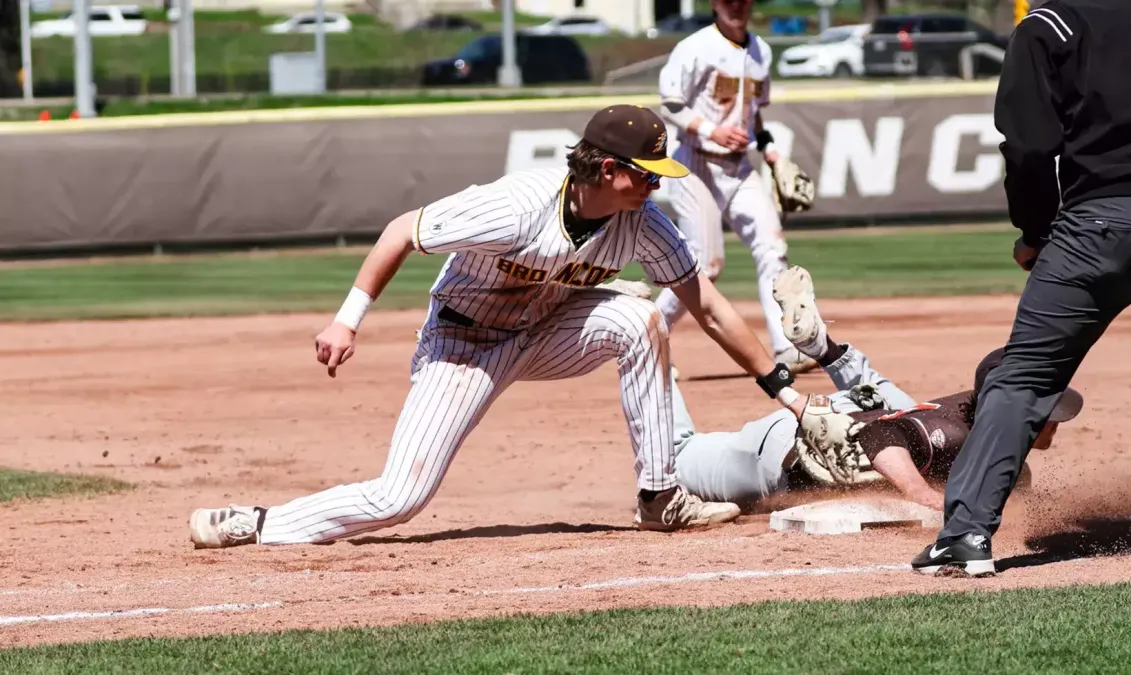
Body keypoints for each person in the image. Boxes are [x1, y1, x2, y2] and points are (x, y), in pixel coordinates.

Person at [187, 105, 855, 548]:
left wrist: (786, 392)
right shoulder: (514, 207)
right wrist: (347, 320)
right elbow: (401, 232)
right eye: (645, 175)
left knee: (641, 320)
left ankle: (661, 497)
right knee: (401, 496)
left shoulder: (642, 222)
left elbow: (703, 302)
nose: (655, 186)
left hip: (544, 332)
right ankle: (259, 523)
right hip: (463, 343)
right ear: (610, 168)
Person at [912, 0, 1131, 578]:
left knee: (1023, 379)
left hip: (1097, 227)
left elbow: (1027, 147)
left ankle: (966, 536)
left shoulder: (1050, 24)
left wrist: (1036, 232)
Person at [613, 267, 1083, 510]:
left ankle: (825, 347)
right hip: (786, 450)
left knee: (892, 401)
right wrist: (921, 496)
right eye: (1044, 412)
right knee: (675, 457)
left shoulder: (979, 417)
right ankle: (648, 336)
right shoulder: (953, 433)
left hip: (856, 411)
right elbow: (882, 437)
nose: (1053, 423)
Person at [652, 0, 815, 374]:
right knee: (704, 265)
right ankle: (648, 339)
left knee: (772, 245)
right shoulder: (694, 47)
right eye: (729, 0)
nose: (737, 6)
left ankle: (788, 347)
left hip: (739, 166)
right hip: (694, 161)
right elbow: (671, 106)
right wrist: (713, 131)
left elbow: (754, 112)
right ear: (714, 4)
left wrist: (770, 150)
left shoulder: (761, 50)